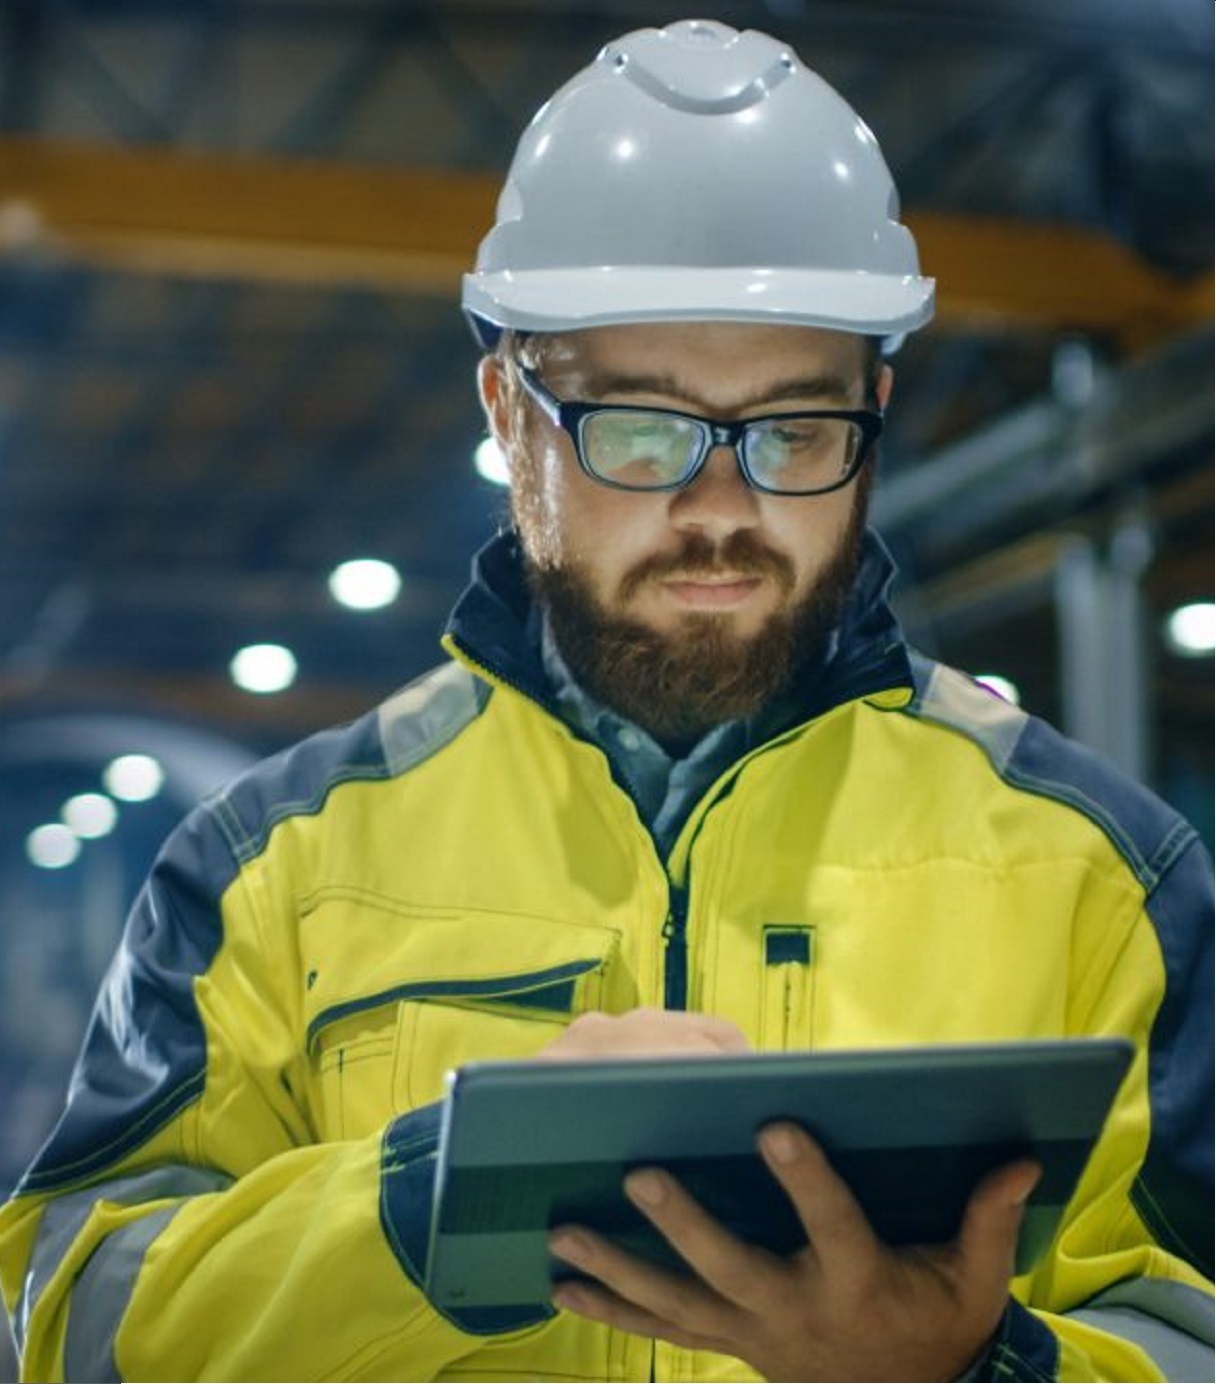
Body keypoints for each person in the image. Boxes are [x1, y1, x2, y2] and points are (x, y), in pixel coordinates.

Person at [0, 18, 1211, 1382]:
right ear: (509, 412)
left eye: (795, 433)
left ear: (874, 407)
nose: (720, 511)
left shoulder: (1102, 878)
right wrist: (421, 1207)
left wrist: (981, 1370)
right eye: (640, 431)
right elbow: (72, 1328)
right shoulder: (271, 871)